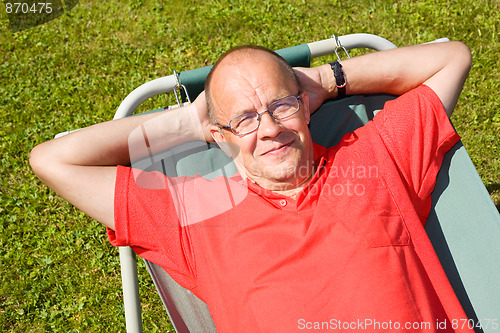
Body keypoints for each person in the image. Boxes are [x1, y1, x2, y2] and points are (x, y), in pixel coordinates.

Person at [30, 40, 473, 332]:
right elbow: (53, 160)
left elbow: (452, 57)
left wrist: (323, 80)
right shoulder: (194, 214)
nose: (269, 130)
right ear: (219, 135)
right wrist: (191, 121)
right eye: (244, 119)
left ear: (305, 108)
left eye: (281, 107)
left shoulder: (375, 158)